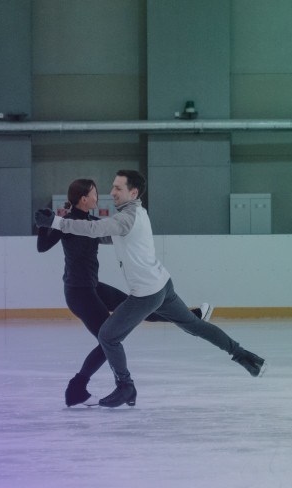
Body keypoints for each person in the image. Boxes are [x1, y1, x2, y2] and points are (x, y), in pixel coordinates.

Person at [35, 170, 266, 408]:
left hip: (146, 293)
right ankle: (243, 355)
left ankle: (126, 386)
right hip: (163, 285)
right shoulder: (137, 213)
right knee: (195, 326)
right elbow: (103, 233)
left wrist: (56, 222)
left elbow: (96, 230)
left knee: (108, 337)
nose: (111, 192)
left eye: (118, 188)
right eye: (112, 187)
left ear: (132, 193)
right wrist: (61, 224)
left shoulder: (125, 218)